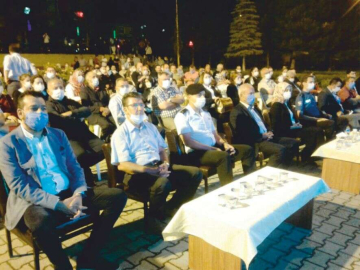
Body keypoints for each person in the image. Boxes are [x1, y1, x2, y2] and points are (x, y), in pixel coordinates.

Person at [0, 90, 127, 270]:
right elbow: (20, 186)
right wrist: (59, 205)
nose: (40, 113)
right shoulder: (8, 143)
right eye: (33, 109)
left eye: (43, 109)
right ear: (20, 113)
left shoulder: (57, 134)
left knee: (117, 197)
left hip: (68, 192)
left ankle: (88, 257)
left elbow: (75, 167)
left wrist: (78, 193)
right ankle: (63, 266)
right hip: (35, 200)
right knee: (40, 222)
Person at [111, 92, 202, 228]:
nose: (140, 108)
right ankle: (153, 219)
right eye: (134, 105)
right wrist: (149, 170)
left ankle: (170, 207)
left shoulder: (150, 127)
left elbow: (161, 150)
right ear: (125, 109)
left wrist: (165, 164)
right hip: (137, 173)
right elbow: (123, 165)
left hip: (157, 166)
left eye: (141, 104)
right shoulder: (120, 133)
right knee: (162, 183)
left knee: (195, 173)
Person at [174, 84, 255, 185]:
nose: (202, 98)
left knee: (247, 150)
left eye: (203, 95)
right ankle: (228, 188)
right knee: (223, 156)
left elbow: (215, 135)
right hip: (197, 152)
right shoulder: (183, 115)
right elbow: (188, 142)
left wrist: (225, 144)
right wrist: (212, 149)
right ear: (189, 97)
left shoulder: (206, 114)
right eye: (199, 95)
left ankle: (251, 181)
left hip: (214, 148)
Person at [46, 78, 104, 187]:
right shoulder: (49, 105)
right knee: (80, 156)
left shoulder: (69, 102)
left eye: (61, 87)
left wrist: (71, 113)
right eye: (55, 88)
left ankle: (86, 174)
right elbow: (57, 120)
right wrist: (77, 117)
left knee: (104, 149)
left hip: (85, 135)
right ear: (49, 91)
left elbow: (86, 110)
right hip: (68, 137)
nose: (59, 90)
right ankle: (86, 180)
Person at [230, 84, 299, 167]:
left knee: (293, 143)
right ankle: (270, 172)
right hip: (256, 141)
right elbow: (243, 133)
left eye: (253, 93)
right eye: (250, 93)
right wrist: (262, 136)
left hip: (267, 137)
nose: (253, 96)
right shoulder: (237, 112)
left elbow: (265, 124)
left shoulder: (255, 108)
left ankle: (283, 167)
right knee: (280, 150)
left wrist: (269, 131)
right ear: (241, 95)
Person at [270, 82, 324, 162]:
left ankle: (312, 154)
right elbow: (277, 125)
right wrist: (293, 126)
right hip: (286, 131)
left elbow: (293, 117)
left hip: (294, 128)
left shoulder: (286, 103)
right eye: (286, 90)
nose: (288, 92)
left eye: (289, 90)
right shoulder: (276, 105)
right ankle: (306, 156)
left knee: (317, 130)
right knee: (313, 132)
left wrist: (296, 123)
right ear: (280, 91)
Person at [295, 76, 335, 141]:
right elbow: (300, 115)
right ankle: (328, 142)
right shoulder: (301, 96)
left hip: (318, 117)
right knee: (330, 123)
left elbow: (316, 108)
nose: (313, 84)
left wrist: (325, 115)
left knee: (335, 118)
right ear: (304, 83)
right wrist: (316, 119)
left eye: (313, 82)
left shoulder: (311, 95)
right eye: (310, 82)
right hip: (310, 121)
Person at [80, 71, 116, 142]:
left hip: (105, 111)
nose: (96, 78)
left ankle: (113, 139)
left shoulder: (101, 89)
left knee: (115, 121)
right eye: (93, 77)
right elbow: (86, 106)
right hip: (92, 113)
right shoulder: (85, 91)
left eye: (96, 76)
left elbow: (108, 101)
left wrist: (107, 109)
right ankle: (104, 140)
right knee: (106, 124)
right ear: (88, 80)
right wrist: (100, 109)